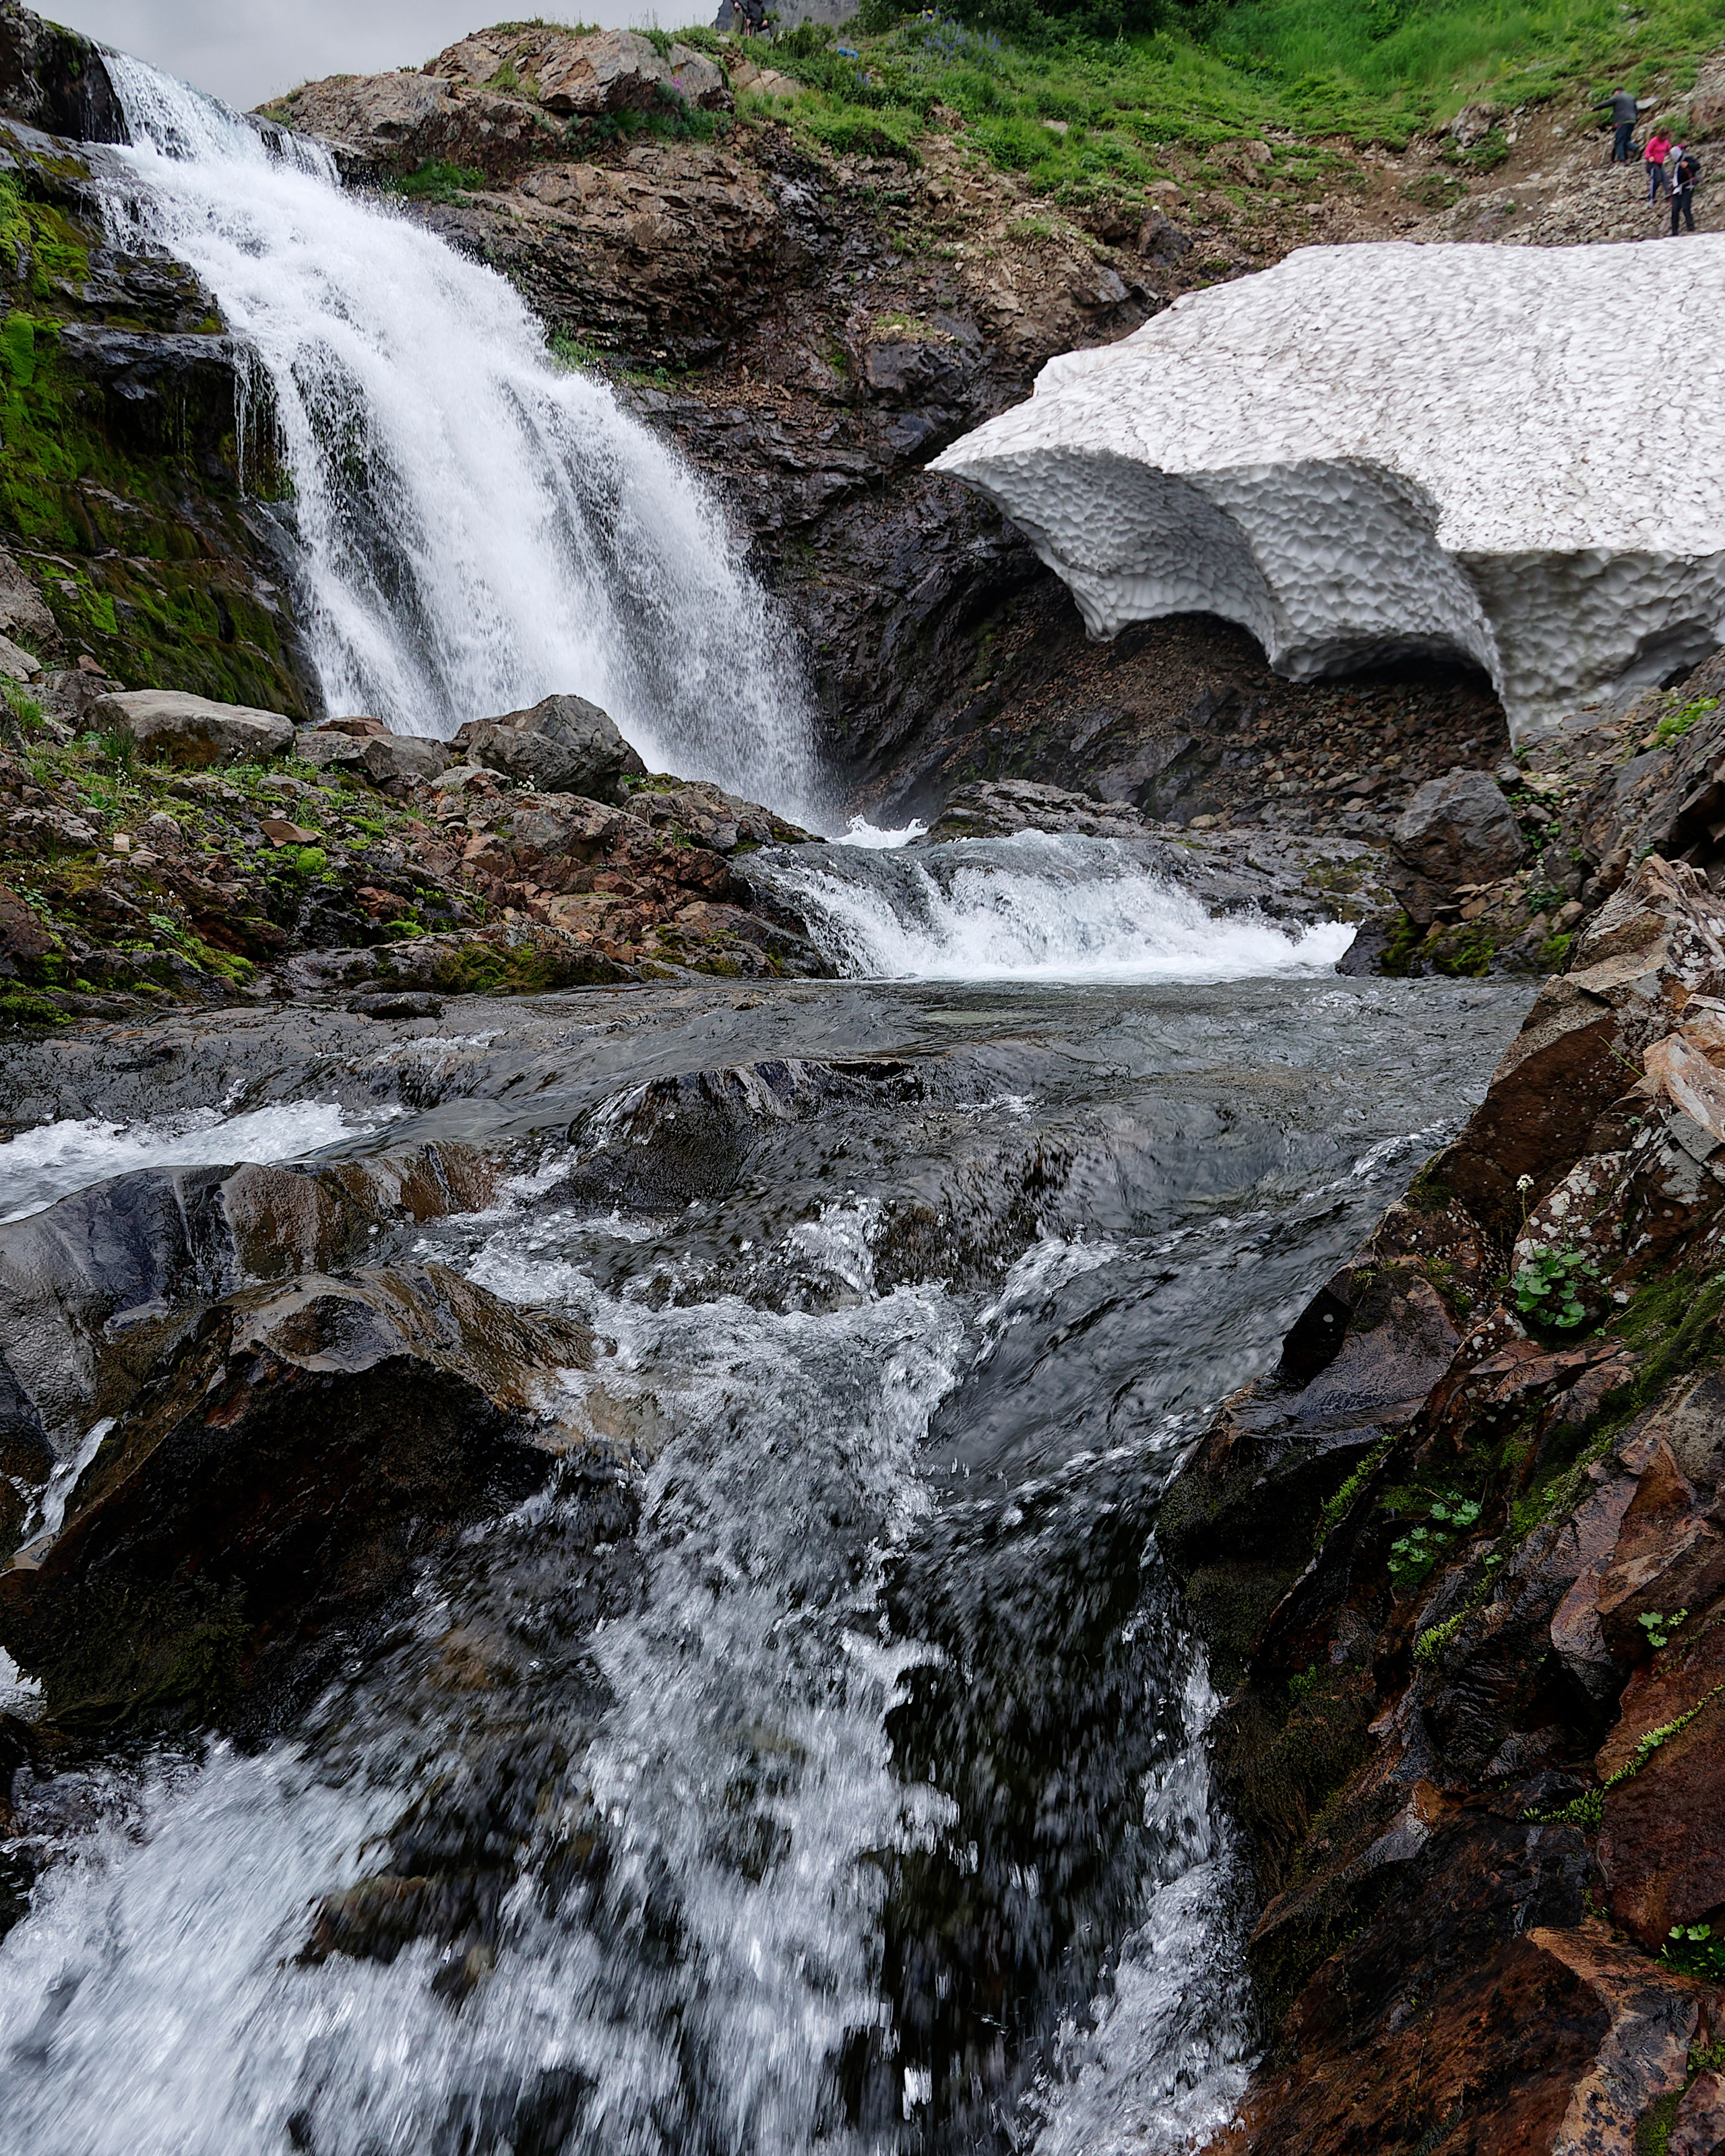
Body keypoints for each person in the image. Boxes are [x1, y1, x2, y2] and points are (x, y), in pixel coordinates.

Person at [1671, 144, 1700, 232]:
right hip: (1678, 188)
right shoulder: (1676, 164)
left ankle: (1691, 227)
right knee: (1675, 209)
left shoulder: (1687, 159)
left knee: (1686, 207)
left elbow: (1697, 166)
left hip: (1688, 186)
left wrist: (1688, 165)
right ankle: (1674, 231)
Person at [1605, 86, 1638, 162]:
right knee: (1625, 140)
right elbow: (1636, 109)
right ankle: (1634, 148)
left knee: (1619, 141)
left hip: (1623, 121)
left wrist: (1595, 108)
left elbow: (1607, 103)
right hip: (1632, 121)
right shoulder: (1631, 97)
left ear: (1617, 92)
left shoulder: (1618, 97)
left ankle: (1622, 159)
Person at [1645, 126, 1672, 201]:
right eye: (1665, 135)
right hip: (1652, 164)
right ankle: (1652, 195)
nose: (1666, 137)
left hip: (1660, 164)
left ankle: (1668, 194)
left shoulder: (1666, 142)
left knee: (1665, 178)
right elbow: (1647, 152)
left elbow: (1669, 149)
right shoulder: (1654, 141)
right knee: (1658, 178)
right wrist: (1650, 157)